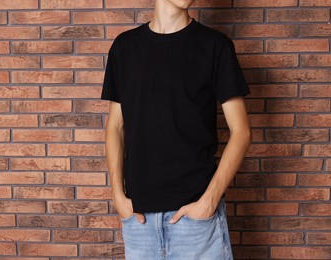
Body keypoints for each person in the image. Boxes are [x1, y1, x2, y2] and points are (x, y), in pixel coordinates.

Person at [101, 0, 252, 259]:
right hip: (139, 223)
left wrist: (209, 202)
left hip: (196, 224)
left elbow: (241, 132)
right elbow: (115, 126)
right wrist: (117, 195)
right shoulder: (125, 47)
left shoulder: (215, 46)